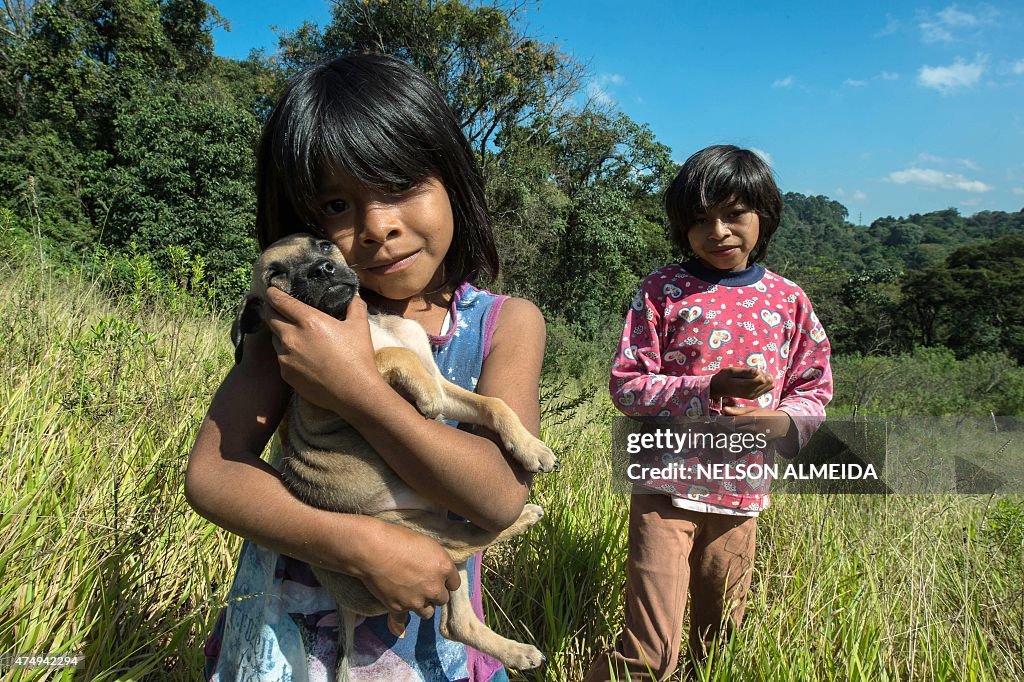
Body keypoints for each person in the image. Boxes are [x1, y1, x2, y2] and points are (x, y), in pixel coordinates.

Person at [185, 53, 545, 682]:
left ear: (453, 180)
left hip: (430, 655)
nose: (377, 227)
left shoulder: (505, 324)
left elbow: (498, 496)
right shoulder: (295, 320)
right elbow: (214, 473)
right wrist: (356, 545)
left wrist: (355, 389)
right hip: (281, 650)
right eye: (334, 204)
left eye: (400, 185)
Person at [584, 145, 833, 681]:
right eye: (700, 220)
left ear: (763, 216)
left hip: (741, 493)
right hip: (663, 486)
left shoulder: (788, 301)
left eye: (733, 214)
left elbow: (814, 387)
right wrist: (708, 386)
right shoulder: (663, 291)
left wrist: (782, 423)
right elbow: (627, 386)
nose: (717, 231)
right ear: (681, 226)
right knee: (649, 653)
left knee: (717, 650)